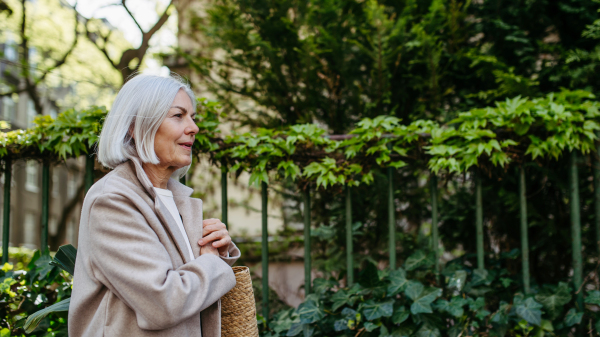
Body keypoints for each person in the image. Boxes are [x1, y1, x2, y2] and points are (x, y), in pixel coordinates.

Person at [69, 74, 240, 337]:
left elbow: (192, 283)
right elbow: (164, 302)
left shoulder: (175, 198)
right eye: (178, 115)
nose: (193, 127)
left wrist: (218, 247)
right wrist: (214, 264)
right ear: (135, 127)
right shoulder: (112, 200)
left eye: (193, 117)